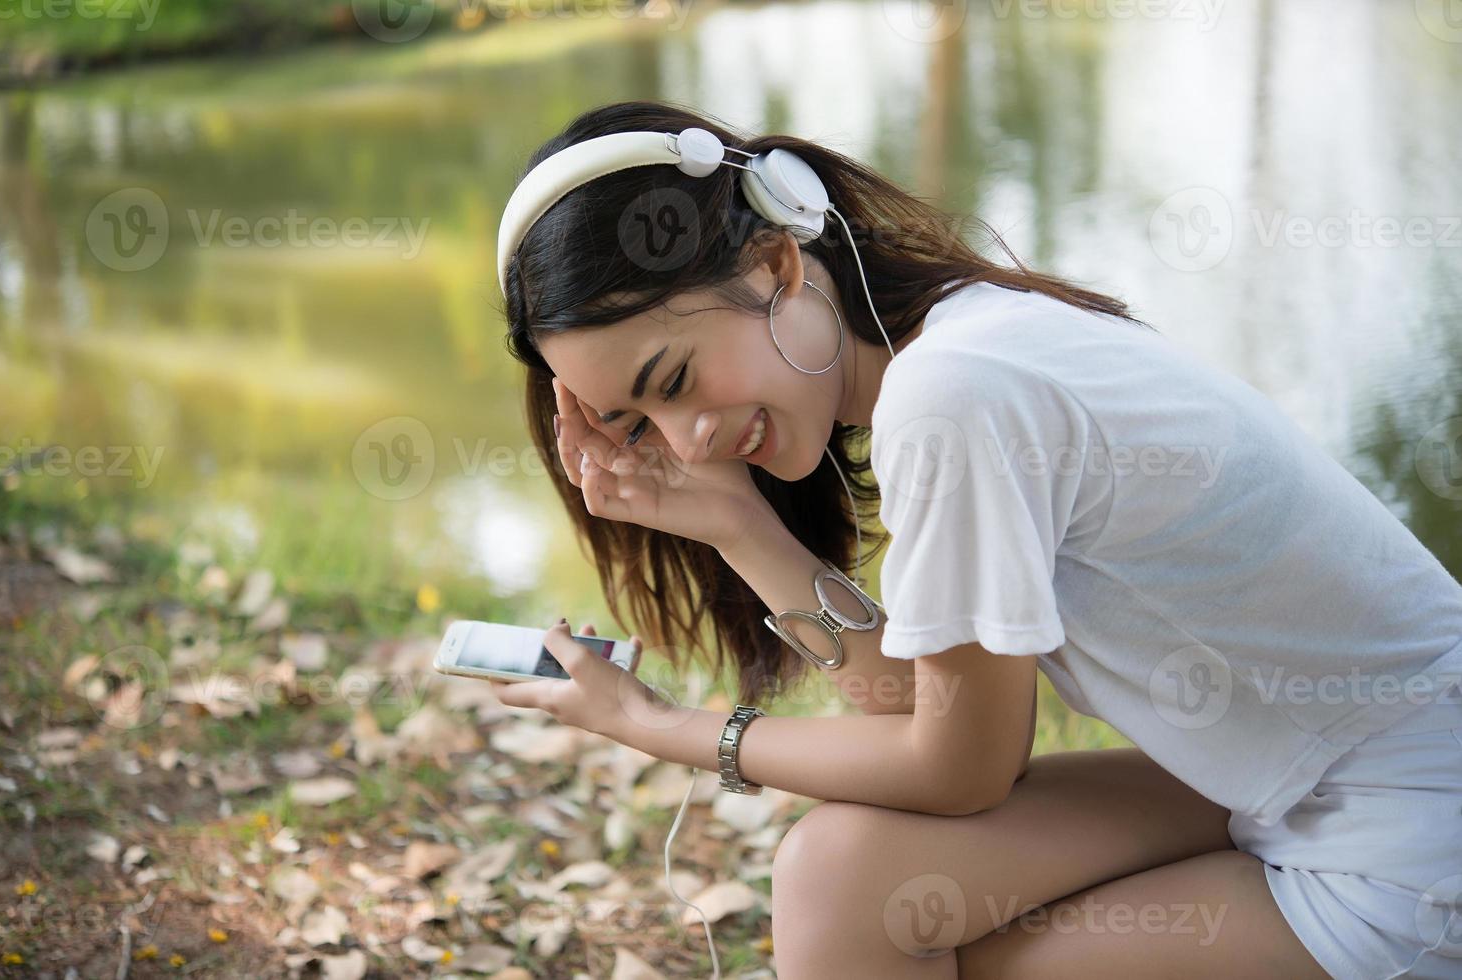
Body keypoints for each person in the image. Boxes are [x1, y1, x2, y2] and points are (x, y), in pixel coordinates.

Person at [492, 99, 1462, 979]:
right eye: (638, 422)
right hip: (1292, 777)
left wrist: (653, 723)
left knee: (865, 916)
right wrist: (735, 522)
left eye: (672, 380)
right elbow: (921, 711)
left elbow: (957, 771)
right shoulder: (964, 342)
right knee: (844, 876)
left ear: (777, 265)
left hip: (1407, 840)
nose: (687, 439)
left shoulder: (952, 394)